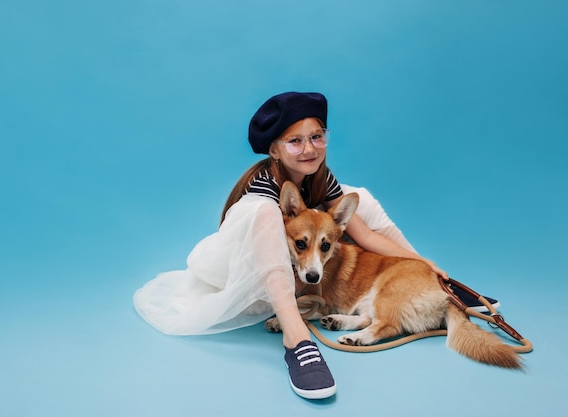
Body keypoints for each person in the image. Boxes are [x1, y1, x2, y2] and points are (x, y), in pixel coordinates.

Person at [133, 92, 499, 400]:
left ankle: (433, 283)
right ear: (274, 150)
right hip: (245, 268)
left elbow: (368, 236)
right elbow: (272, 244)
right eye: (295, 141)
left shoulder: (320, 176)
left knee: (362, 199)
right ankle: (297, 339)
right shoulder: (265, 189)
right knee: (267, 215)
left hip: (298, 263)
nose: (309, 148)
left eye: (317, 136)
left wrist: (424, 262)